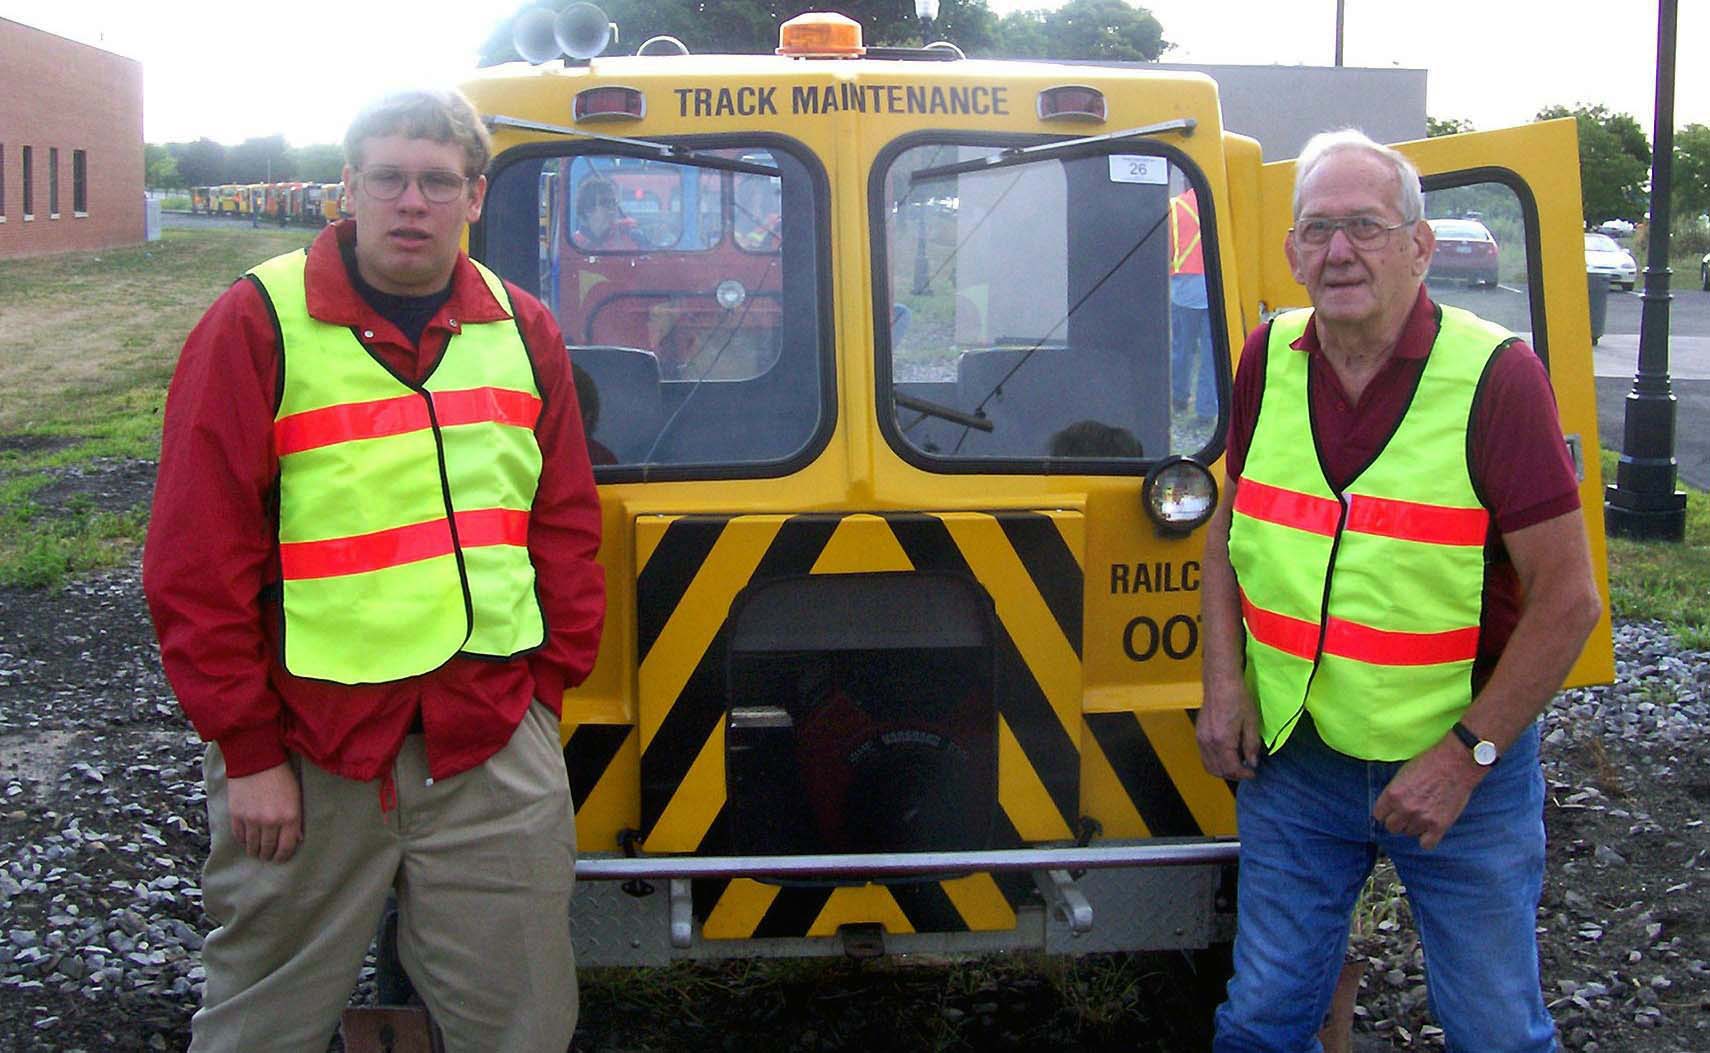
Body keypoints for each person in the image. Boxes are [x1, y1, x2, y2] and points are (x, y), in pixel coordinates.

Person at [143, 89, 605, 1053]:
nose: (412, 202)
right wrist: (248, 750)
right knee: (261, 1023)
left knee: (522, 1024)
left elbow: (563, 523)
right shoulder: (255, 325)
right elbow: (196, 559)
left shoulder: (526, 331)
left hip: (487, 740)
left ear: (475, 196)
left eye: (439, 182)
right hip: (309, 750)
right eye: (388, 178)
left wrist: (545, 698)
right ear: (346, 188)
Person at [1195, 129, 1602, 1053]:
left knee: (1496, 1028)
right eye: (1318, 229)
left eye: (1368, 228)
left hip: (1461, 769)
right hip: (1295, 763)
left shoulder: (1497, 379)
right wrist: (1224, 685)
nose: (1339, 252)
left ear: (1420, 247)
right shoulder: (1269, 357)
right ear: (1293, 250)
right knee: (1262, 1017)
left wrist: (1466, 757)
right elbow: (1228, 533)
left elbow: (1569, 599)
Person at [1168, 186, 1216, 423]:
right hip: (1215, 286)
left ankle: (1179, 397)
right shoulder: (1218, 203)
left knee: (1182, 348)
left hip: (1184, 289)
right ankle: (1206, 411)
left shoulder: (1174, 206)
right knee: (1211, 352)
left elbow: (1166, 249)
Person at [571, 175, 646, 251]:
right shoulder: (574, 244)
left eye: (613, 202)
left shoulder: (633, 236)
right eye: (605, 202)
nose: (612, 207)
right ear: (588, 209)